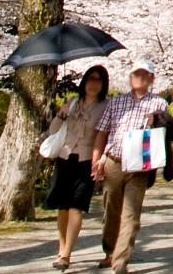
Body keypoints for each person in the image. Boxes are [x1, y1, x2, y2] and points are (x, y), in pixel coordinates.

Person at [90, 62, 170, 273]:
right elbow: (102, 132)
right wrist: (96, 160)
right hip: (114, 162)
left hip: (140, 166)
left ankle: (121, 259)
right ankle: (110, 251)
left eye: (145, 75)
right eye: (136, 74)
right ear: (130, 77)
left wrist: (156, 122)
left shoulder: (159, 104)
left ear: (152, 78)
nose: (140, 78)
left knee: (131, 214)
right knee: (111, 210)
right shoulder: (115, 103)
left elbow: (166, 134)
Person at [45, 65, 110, 270]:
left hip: (87, 161)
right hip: (65, 157)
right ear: (84, 82)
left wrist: (101, 161)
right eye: (91, 79)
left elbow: (106, 135)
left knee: (76, 207)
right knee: (63, 207)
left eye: (99, 80)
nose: (94, 83)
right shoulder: (72, 102)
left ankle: (67, 253)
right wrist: (61, 114)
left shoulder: (106, 106)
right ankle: (62, 249)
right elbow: (53, 130)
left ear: (103, 84)